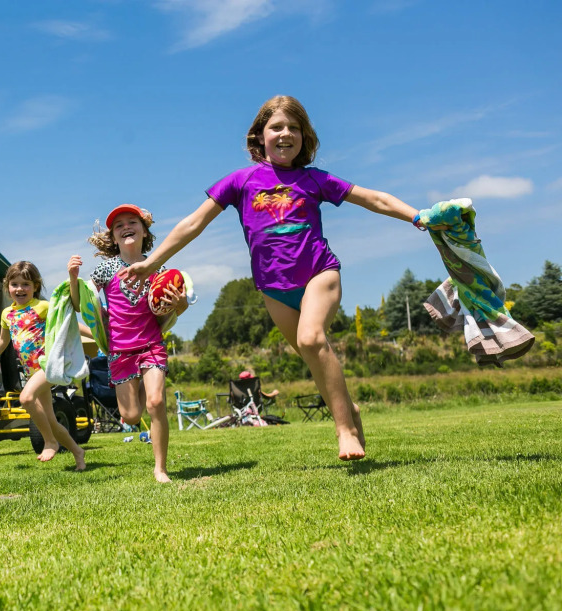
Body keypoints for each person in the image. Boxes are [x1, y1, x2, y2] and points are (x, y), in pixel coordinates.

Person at [118, 95, 448, 461]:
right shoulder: (240, 181)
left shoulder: (314, 179)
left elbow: (374, 199)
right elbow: (193, 223)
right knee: (313, 357)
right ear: (260, 136)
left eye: (294, 127)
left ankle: (345, 430)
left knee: (311, 338)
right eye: (276, 127)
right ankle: (348, 409)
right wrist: (152, 263)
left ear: (304, 137)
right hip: (273, 291)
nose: (285, 133)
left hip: (319, 274)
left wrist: (417, 216)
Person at [68, 204, 188, 483]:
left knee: (156, 403)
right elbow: (81, 305)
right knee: (131, 416)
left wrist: (181, 303)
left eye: (132, 222)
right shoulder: (105, 269)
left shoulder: (158, 267)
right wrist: (73, 279)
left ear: (145, 231)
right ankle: (144, 387)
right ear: (113, 237)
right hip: (120, 351)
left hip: (151, 344)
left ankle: (160, 469)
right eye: (118, 225)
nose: (126, 227)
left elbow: (174, 309)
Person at [0, 261, 85, 470]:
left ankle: (50, 442)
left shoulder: (42, 307)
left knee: (26, 398)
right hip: (31, 372)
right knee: (50, 420)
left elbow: (69, 323)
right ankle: (77, 452)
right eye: (14, 284)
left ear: (35, 286)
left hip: (48, 365)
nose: (20, 289)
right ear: (7, 286)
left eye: (25, 284)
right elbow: (2, 341)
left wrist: (98, 335)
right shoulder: (7, 314)